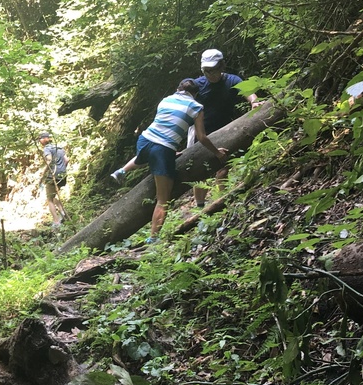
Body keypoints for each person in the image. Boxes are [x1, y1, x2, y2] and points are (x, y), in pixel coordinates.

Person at [109, 80, 227, 241]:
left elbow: (164, 127)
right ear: (195, 94)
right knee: (163, 199)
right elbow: (201, 136)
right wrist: (217, 152)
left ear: (178, 89)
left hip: (145, 140)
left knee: (146, 156)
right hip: (162, 149)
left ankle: (122, 170)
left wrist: (169, 153)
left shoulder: (166, 100)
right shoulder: (196, 107)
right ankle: (153, 239)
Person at [189, 49, 259, 208]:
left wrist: (254, 101)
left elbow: (247, 91)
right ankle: (200, 207)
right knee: (201, 172)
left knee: (223, 168)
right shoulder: (197, 85)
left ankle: (221, 204)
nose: (211, 74)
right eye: (207, 71)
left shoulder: (232, 80)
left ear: (222, 66)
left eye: (214, 69)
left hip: (225, 130)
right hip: (200, 133)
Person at [38, 131, 68, 226]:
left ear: (43, 139)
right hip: (62, 175)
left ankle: (56, 221)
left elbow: (49, 159)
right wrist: (61, 169)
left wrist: (44, 173)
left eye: (40, 139)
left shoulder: (47, 149)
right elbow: (66, 160)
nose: (39, 141)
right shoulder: (58, 148)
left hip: (52, 175)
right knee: (53, 195)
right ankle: (62, 212)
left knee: (49, 199)